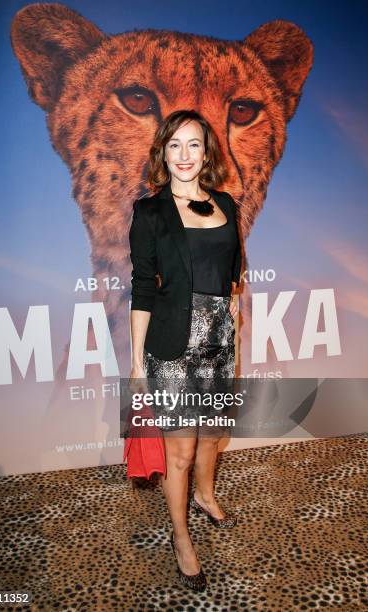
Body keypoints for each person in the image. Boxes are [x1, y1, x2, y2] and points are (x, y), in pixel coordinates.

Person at [128, 109, 243, 592]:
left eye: (193, 144)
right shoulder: (150, 213)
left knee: (214, 433)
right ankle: (180, 536)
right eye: (174, 145)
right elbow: (141, 287)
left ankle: (205, 494)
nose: (184, 155)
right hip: (172, 345)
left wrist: (229, 320)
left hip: (219, 341)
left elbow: (234, 272)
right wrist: (136, 363)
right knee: (181, 449)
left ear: (207, 151)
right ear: (162, 152)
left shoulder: (228, 204)